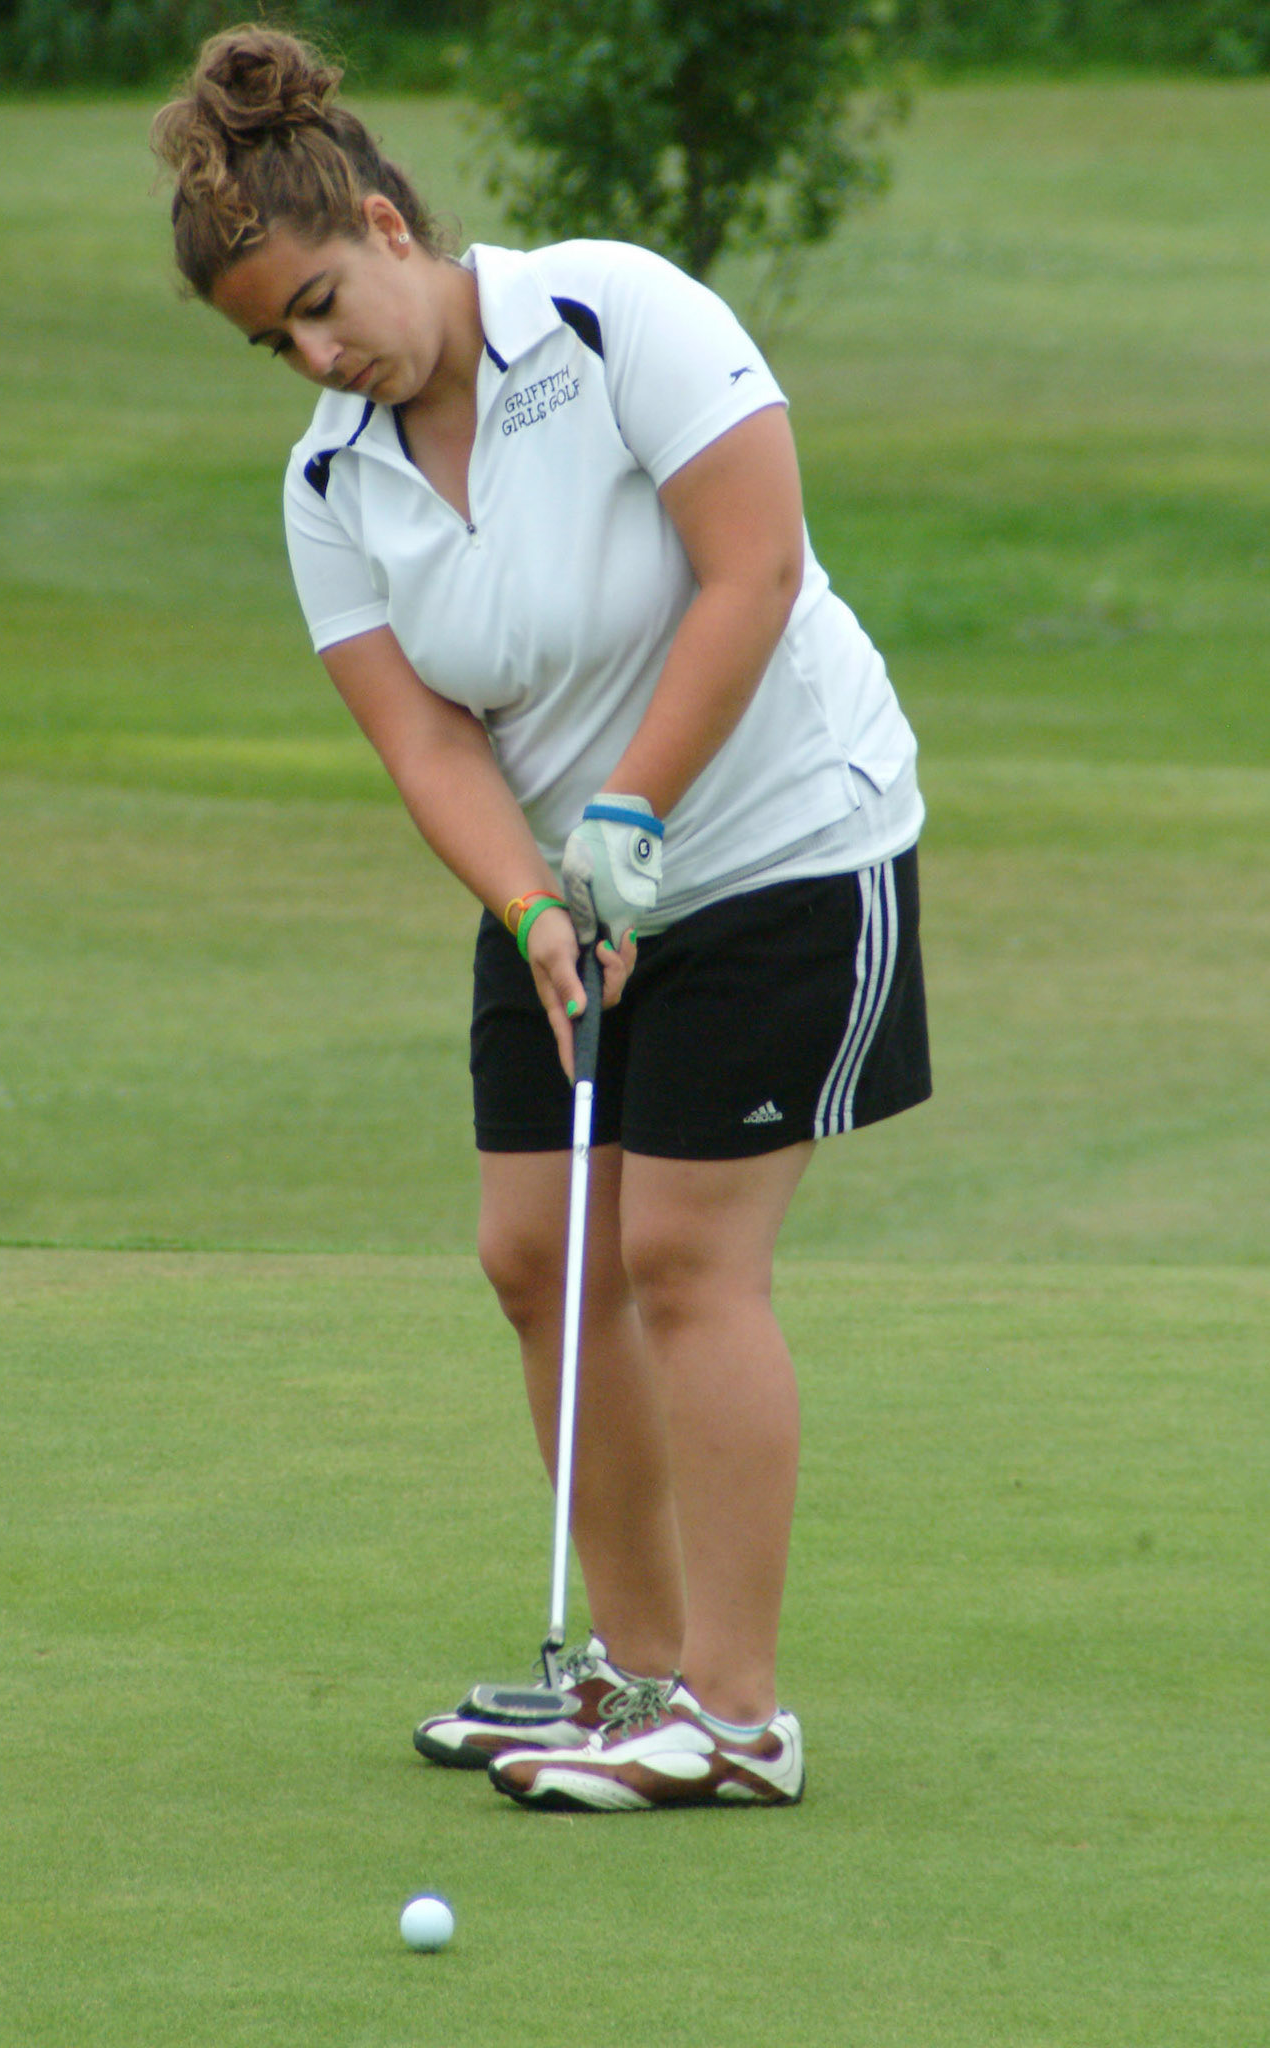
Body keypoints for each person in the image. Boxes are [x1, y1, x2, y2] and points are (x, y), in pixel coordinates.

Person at [152, 24, 931, 1814]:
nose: (318, 355)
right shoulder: (330, 483)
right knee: (538, 1259)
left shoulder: (608, 309)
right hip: (573, 880)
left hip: (782, 838)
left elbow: (757, 566)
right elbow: (422, 735)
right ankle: (630, 1677)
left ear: (383, 217)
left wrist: (632, 809)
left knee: (679, 1257)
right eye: (278, 342)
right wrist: (531, 900)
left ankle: (734, 1718)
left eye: (326, 303)